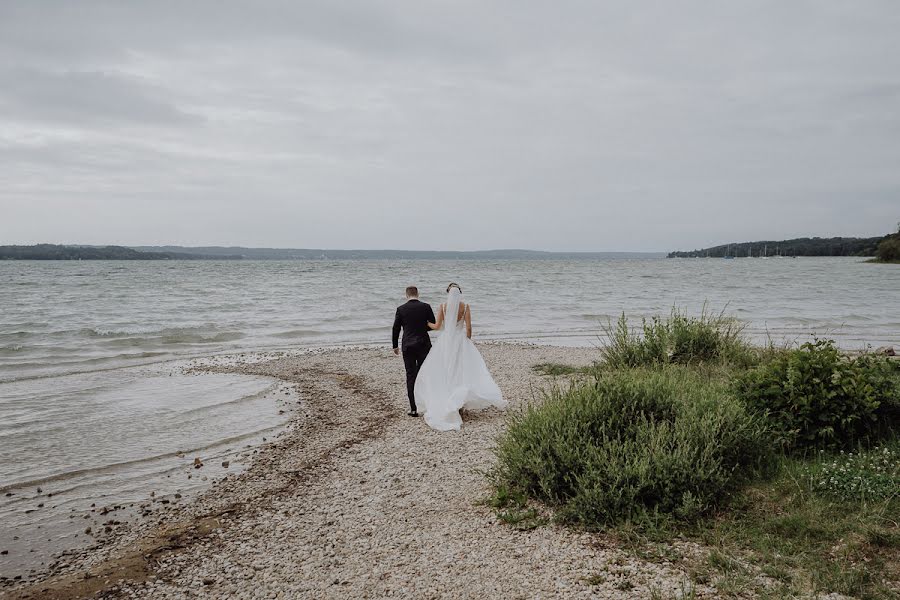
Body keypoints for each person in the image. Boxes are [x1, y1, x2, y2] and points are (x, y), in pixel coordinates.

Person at [413, 283, 506, 431]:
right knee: (461, 371)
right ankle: (459, 405)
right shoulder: (466, 307)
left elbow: (437, 326)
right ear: (460, 293)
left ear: (448, 293)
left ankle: (449, 402)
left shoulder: (443, 306)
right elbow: (469, 328)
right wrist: (467, 341)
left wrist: (425, 323)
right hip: (460, 341)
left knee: (445, 371)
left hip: (445, 342)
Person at [392, 285, 436, 417]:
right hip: (423, 344)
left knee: (411, 375)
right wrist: (421, 328)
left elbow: (396, 328)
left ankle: (413, 409)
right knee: (425, 374)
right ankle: (429, 405)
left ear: (406, 295)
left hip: (408, 345)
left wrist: (395, 345)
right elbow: (433, 324)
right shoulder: (426, 307)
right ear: (418, 294)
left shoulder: (401, 309)